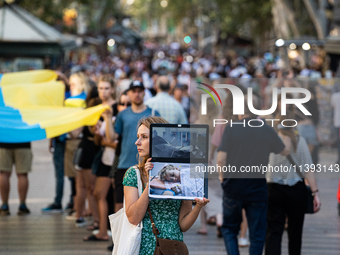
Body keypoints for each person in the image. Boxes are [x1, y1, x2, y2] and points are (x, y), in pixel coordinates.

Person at [123, 116, 209, 255]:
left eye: (144, 137)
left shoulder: (177, 172)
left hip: (173, 248)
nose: (137, 142)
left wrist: (198, 207)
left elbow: (183, 225)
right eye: (138, 136)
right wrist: (150, 181)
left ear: (159, 142)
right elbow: (133, 218)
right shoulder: (134, 174)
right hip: (144, 247)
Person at [216, 96, 290, 255]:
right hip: (257, 188)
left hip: (233, 187)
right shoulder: (266, 129)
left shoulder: (231, 128)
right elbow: (284, 151)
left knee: (229, 230)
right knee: (257, 234)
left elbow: (221, 159)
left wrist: (223, 179)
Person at [265, 114, 321, 255]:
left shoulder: (271, 141)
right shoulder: (299, 141)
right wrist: (315, 193)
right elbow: (308, 169)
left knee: (273, 231)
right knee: (295, 232)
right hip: (296, 191)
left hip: (273, 190)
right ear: (293, 126)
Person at [113, 80, 160, 212]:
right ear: (129, 93)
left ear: (144, 93)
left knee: (146, 204)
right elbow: (113, 137)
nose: (137, 94)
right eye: (134, 91)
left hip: (149, 165)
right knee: (120, 204)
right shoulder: (122, 114)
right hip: (124, 163)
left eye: (140, 91)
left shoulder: (154, 113)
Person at [84, 75, 118, 241]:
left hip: (116, 158)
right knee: (99, 193)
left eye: (106, 88)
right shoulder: (97, 107)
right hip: (103, 156)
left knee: (113, 196)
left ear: (112, 89)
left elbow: (114, 138)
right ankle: (103, 230)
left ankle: (110, 232)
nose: (103, 92)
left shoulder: (117, 108)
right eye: (100, 88)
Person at [0, 142, 32, 215]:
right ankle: (22, 205)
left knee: (4, 173)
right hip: (23, 143)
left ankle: (4, 205)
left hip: (3, 142)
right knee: (22, 174)